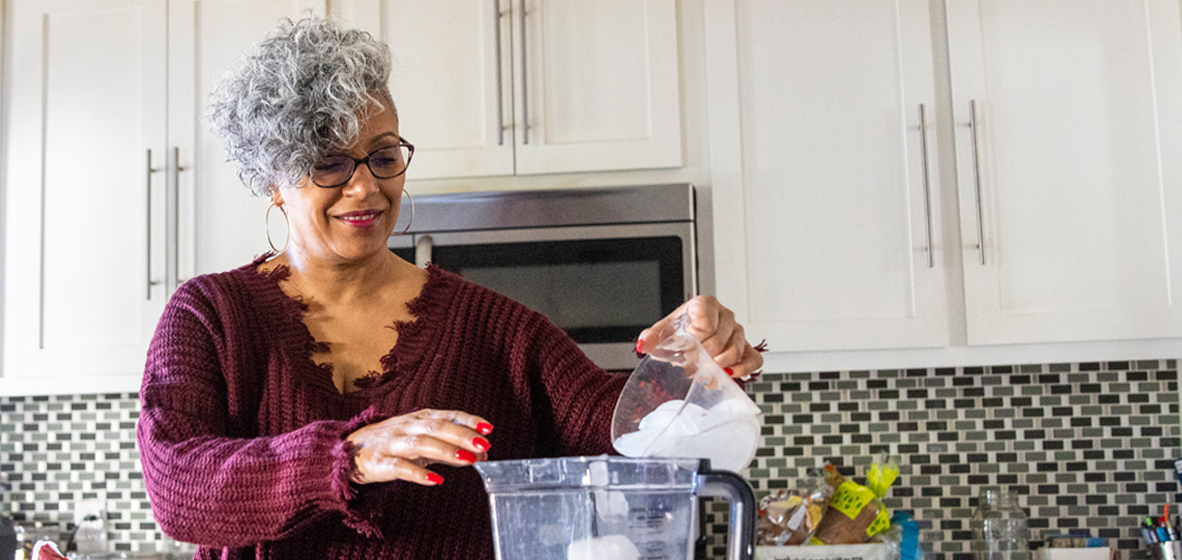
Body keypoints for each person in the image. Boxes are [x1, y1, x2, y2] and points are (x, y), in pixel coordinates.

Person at [136, 17, 765, 559]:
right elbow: (176, 486)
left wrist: (694, 362)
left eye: (384, 157)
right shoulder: (211, 316)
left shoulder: (494, 329)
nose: (366, 186)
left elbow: (616, 428)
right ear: (274, 180)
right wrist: (346, 456)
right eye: (330, 163)